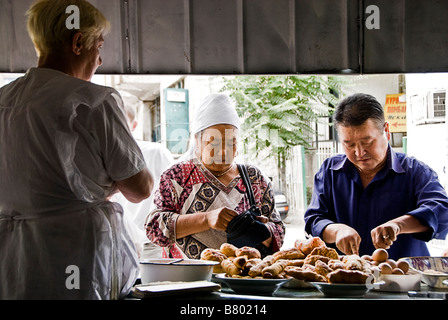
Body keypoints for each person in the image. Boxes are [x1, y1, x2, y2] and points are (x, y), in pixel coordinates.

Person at [0, 0, 153, 299]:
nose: (99, 60)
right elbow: (140, 188)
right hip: (77, 261)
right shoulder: (93, 100)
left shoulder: (4, 99)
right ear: (78, 42)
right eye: (99, 46)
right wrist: (105, 184)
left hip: (14, 263)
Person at [304, 93, 448, 260]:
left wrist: (398, 225)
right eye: (349, 144)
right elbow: (313, 220)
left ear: (386, 130)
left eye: (367, 142)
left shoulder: (415, 172)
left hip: (403, 279)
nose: (359, 153)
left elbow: (441, 210)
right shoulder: (330, 172)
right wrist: (337, 231)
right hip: (342, 278)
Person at [145, 93, 285, 259]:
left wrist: (260, 230)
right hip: (188, 279)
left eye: (231, 142)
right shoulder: (177, 176)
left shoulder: (255, 178)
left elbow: (279, 233)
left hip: (244, 279)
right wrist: (206, 219)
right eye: (214, 142)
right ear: (197, 140)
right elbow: (154, 229)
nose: (224, 151)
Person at [113, 98, 174, 259]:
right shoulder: (102, 155)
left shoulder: (156, 152)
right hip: (118, 245)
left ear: (134, 125)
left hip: (152, 245)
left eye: (122, 123)